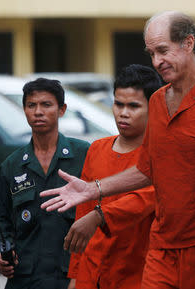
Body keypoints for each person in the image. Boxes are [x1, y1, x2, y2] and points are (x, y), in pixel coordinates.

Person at [40, 11, 195, 289]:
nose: (156, 62)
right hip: (163, 244)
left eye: (163, 51)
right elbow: (147, 169)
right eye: (151, 53)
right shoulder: (157, 101)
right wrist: (94, 189)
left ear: (188, 43)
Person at [0, 78, 90, 289]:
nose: (38, 112)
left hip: (71, 277)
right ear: (24, 110)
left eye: (46, 105)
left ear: (62, 110)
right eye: (31, 105)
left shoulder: (85, 155)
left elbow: (104, 206)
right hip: (25, 279)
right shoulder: (11, 165)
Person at [65, 64, 161, 289]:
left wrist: (99, 216)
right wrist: (75, 277)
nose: (123, 113)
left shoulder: (160, 154)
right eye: (118, 104)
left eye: (133, 106)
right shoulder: (97, 149)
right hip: (92, 272)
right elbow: (82, 217)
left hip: (137, 274)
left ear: (154, 107)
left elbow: (143, 199)